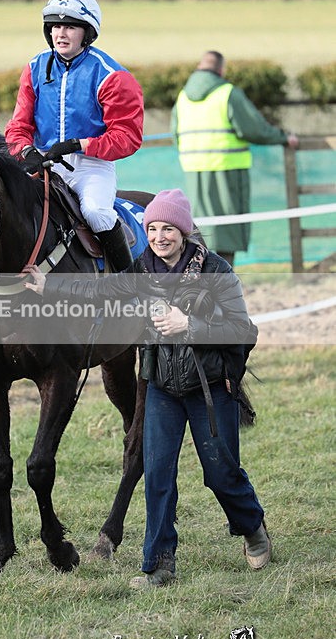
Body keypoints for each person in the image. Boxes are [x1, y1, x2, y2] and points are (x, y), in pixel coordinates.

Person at [24, 188, 271, 587]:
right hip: (161, 388)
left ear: (184, 232)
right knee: (157, 475)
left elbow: (244, 330)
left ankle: (252, 527)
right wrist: (48, 286)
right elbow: (101, 290)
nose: (159, 236)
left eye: (168, 228)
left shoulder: (216, 272)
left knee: (220, 474)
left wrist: (190, 327)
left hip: (209, 388)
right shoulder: (142, 270)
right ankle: (158, 565)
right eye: (152, 228)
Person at [5, 0, 144, 272]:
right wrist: (25, 150)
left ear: (87, 32)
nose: (60, 34)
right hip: (42, 162)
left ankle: (129, 284)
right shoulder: (34, 68)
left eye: (69, 26)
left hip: (91, 166)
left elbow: (127, 137)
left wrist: (79, 145)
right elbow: (18, 126)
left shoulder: (113, 76)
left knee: (96, 213)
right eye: (55, 26)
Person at [171, 50, 299, 266]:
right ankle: (223, 280)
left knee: (200, 229)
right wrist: (283, 138)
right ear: (221, 70)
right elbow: (254, 129)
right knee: (229, 229)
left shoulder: (182, 97)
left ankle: (200, 278)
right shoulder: (227, 93)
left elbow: (176, 135)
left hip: (193, 171)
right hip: (228, 169)